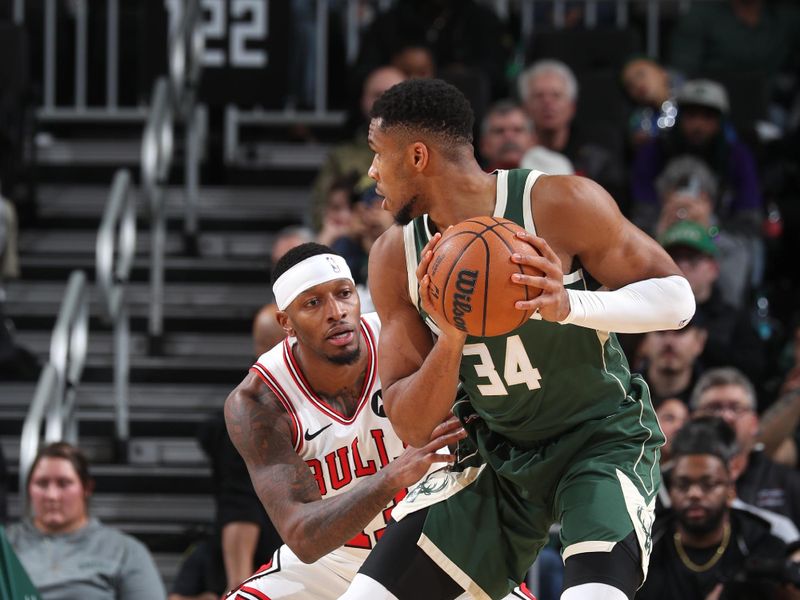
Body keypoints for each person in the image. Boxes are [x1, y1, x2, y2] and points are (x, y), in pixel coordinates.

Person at [343, 77, 696, 600]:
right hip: (496, 453)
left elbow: (678, 300)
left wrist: (571, 304)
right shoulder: (397, 255)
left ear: (417, 156)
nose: (371, 172)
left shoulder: (558, 203)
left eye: (378, 154)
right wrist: (452, 334)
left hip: (597, 440)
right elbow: (413, 424)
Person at [223, 242, 468, 599]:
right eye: (313, 303)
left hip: (437, 549)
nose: (336, 312)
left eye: (344, 294)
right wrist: (392, 476)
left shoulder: (405, 340)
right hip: (333, 564)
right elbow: (304, 538)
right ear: (285, 323)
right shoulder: (259, 401)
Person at [638, 417, 797, 600]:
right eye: (683, 484)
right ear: (670, 489)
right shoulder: (646, 546)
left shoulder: (762, 544)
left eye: (709, 484)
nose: (694, 494)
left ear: (730, 490)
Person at [5, 442, 166, 600]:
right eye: (42, 483)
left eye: (64, 483)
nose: (52, 495)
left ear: (87, 488)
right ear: (29, 489)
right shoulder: (5, 545)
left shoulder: (125, 551)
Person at [631, 79, 763, 239]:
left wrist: (711, 229)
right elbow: (641, 213)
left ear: (720, 121)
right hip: (661, 234)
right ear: (679, 117)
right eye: (691, 115)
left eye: (708, 117)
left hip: (717, 238)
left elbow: (748, 219)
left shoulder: (737, 156)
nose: (698, 125)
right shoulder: (656, 151)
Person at [690, 368, 800, 527]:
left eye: (736, 408)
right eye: (714, 407)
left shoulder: (788, 484)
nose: (726, 417)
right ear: (693, 420)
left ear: (755, 422)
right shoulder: (668, 483)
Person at [660, 221, 765, 382]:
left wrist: (709, 343)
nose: (681, 267)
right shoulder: (648, 315)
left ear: (713, 268)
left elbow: (756, 371)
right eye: (673, 259)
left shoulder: (735, 319)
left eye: (692, 259)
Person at [517, 60, 626, 207]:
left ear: (572, 107)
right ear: (525, 107)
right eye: (539, 96)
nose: (548, 102)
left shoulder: (596, 159)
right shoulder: (513, 156)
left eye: (556, 95)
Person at [640, 314, 708, 405]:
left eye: (680, 330)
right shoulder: (622, 395)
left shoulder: (712, 399)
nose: (669, 341)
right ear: (644, 340)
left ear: (700, 341)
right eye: (660, 330)